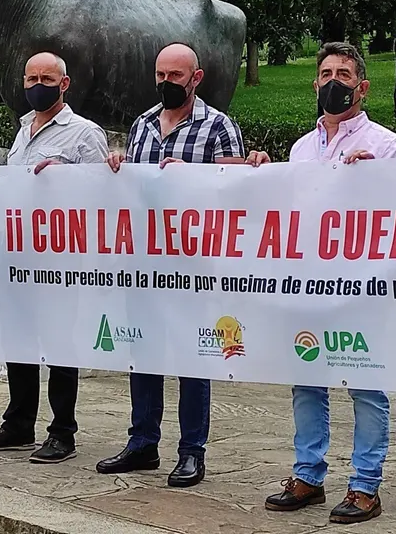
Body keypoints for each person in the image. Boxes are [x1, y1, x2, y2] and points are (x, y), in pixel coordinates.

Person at [245, 41, 396, 524]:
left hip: (361, 287)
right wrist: (262, 175)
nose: (333, 82)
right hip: (307, 285)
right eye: (326, 74)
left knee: (365, 385)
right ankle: (308, 476)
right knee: (307, 380)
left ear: (363, 87)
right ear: (314, 83)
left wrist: (374, 179)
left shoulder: (387, 146)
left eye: (344, 74)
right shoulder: (301, 148)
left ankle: (365, 485)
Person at [95, 42, 245, 488]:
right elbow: (133, 188)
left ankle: (191, 451)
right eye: (160, 75)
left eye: (175, 76)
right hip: (144, 261)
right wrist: (119, 165)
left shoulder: (218, 126)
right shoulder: (142, 124)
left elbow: (236, 191)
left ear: (196, 78)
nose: (166, 83)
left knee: (192, 356)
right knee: (143, 351)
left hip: (193, 265)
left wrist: (192, 179)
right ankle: (142, 442)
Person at [0, 51, 108, 463]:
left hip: (60, 259)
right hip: (18, 256)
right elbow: (14, 187)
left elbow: (102, 193)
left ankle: (62, 432)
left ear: (64, 84)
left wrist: (66, 175)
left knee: (59, 344)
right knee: (17, 339)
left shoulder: (84, 133)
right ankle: (19, 423)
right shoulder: (24, 130)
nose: (38, 86)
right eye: (31, 78)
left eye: (47, 79)